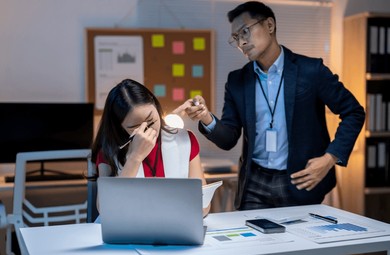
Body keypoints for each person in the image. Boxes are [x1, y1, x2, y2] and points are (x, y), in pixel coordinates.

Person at [173, 1, 365, 211]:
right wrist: (205, 117)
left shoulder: (311, 70)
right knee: (251, 243)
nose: (241, 42)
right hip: (254, 182)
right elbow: (228, 138)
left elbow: (353, 112)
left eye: (245, 31)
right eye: (236, 38)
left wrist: (329, 159)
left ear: (270, 25)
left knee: (299, 243)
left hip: (299, 179)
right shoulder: (237, 81)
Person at [91, 78, 210, 216]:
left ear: (156, 107)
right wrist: (135, 157)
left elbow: (204, 205)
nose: (147, 130)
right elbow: (106, 210)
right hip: (131, 232)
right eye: (135, 127)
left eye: (151, 120)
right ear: (120, 127)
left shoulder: (185, 140)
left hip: (175, 227)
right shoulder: (109, 151)